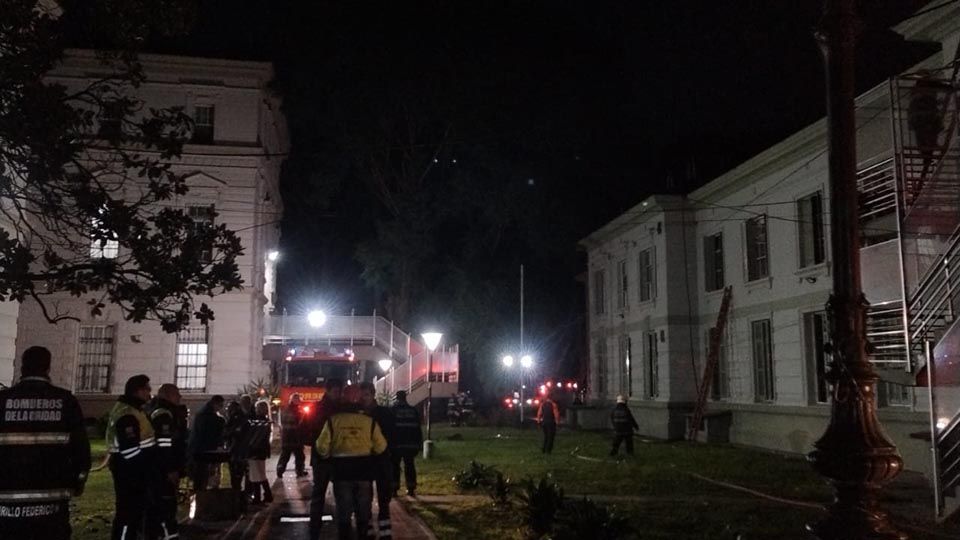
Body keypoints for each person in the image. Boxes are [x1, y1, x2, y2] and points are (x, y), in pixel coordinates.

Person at [0, 346, 91, 540]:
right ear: (47, 368)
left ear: (22, 367)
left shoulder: (2, 400)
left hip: (6, 507)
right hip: (53, 506)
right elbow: (81, 452)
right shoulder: (66, 401)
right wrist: (77, 482)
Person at [316, 384, 387, 540]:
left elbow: (321, 446)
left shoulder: (333, 421)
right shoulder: (369, 421)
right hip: (364, 472)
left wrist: (329, 454)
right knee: (363, 509)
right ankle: (362, 535)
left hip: (341, 473)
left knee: (344, 510)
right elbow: (381, 446)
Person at [106, 374, 155, 540]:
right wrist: (148, 468)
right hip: (130, 472)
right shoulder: (128, 414)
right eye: (148, 389)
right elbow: (130, 451)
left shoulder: (133, 410)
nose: (150, 393)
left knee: (132, 513)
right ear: (138, 391)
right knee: (128, 514)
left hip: (129, 469)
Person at [148, 383, 186, 540]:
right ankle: (168, 535)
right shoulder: (164, 414)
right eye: (177, 393)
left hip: (160, 469)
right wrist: (170, 470)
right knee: (166, 506)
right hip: (162, 471)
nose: (180, 396)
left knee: (165, 505)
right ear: (167, 395)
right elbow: (165, 445)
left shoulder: (165, 412)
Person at [360, 381, 396, 540]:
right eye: (361, 395)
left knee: (384, 498)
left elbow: (392, 435)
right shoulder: (357, 414)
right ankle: (368, 531)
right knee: (364, 499)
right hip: (365, 461)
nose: (363, 398)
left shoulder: (384, 413)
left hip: (381, 460)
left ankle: (385, 533)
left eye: (366, 395)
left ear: (373, 394)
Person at [309, 379, 343, 540]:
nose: (338, 394)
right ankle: (341, 526)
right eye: (336, 391)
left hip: (323, 458)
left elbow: (305, 432)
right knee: (333, 493)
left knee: (320, 494)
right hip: (333, 458)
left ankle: (314, 528)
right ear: (328, 390)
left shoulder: (317, 408)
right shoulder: (337, 409)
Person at [188, 395, 226, 490]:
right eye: (220, 405)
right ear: (215, 404)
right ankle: (203, 495)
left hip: (199, 449)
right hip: (206, 451)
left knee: (201, 476)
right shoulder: (211, 417)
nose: (221, 408)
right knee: (204, 475)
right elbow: (212, 434)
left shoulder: (202, 414)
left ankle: (201, 493)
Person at [390, 390, 422, 497]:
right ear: (405, 398)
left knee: (394, 466)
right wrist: (419, 444)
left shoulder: (393, 411)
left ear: (397, 398)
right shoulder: (413, 411)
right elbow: (418, 429)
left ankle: (394, 489)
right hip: (410, 444)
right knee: (410, 466)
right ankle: (411, 489)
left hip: (396, 445)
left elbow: (389, 429)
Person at [224, 399, 251, 505]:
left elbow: (230, 433)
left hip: (237, 452)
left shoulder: (236, 418)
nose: (227, 411)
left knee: (236, 475)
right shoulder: (243, 417)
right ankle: (242, 495)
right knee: (242, 475)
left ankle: (239, 497)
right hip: (241, 451)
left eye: (228, 408)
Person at [246, 400, 274, 504]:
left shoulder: (259, 422)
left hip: (256, 450)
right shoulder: (266, 421)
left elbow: (255, 437)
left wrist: (250, 446)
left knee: (256, 474)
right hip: (262, 450)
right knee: (260, 473)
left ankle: (260, 496)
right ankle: (265, 495)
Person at [277, 393, 307, 478]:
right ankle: (299, 471)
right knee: (299, 456)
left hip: (286, 436)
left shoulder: (284, 409)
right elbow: (301, 424)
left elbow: (281, 423)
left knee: (285, 455)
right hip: (296, 437)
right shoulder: (299, 411)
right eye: (298, 399)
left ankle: (280, 469)